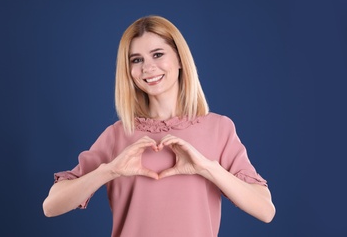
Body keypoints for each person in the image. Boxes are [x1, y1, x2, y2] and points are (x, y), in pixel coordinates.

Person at [42, 15, 276, 236]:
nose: (147, 68)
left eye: (157, 54)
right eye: (137, 60)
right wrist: (110, 170)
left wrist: (207, 168)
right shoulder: (117, 135)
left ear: (180, 59)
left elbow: (265, 210)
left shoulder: (219, 129)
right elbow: (51, 206)